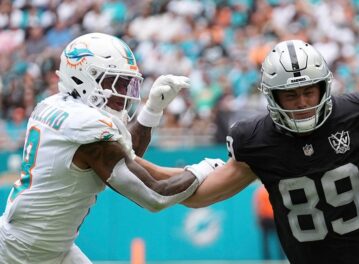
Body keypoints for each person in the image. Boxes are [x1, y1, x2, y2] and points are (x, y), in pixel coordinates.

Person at [181, 40, 359, 264]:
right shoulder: (256, 140)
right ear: (273, 97)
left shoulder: (356, 114)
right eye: (290, 95)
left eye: (309, 91)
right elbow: (197, 197)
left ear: (323, 88)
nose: (302, 103)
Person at [0, 32, 222, 264]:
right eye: (116, 81)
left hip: (41, 243)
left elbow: (124, 154)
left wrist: (152, 110)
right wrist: (205, 169)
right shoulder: (84, 128)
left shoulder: (56, 105)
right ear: (85, 77)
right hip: (26, 253)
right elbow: (155, 194)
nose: (124, 92)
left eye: (127, 83)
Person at [253, 184, 284, 261]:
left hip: (266, 218)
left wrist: (258, 218)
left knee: (266, 241)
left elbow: (257, 206)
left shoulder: (260, 191)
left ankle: (267, 259)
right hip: (272, 217)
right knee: (279, 240)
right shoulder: (273, 189)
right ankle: (280, 258)